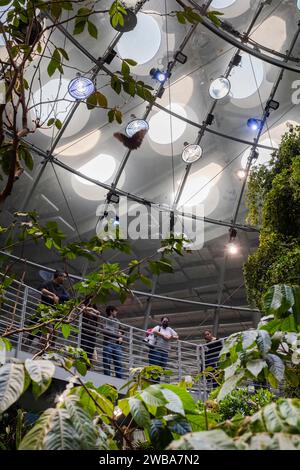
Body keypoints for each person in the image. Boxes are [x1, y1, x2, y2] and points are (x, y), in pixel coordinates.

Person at [102, 305, 124, 379]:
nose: (116, 313)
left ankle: (119, 379)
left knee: (119, 363)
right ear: (111, 311)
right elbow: (104, 331)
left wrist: (121, 335)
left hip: (116, 345)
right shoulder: (105, 320)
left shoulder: (117, 321)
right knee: (107, 362)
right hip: (108, 343)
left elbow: (124, 329)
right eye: (115, 311)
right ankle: (107, 379)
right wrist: (117, 334)